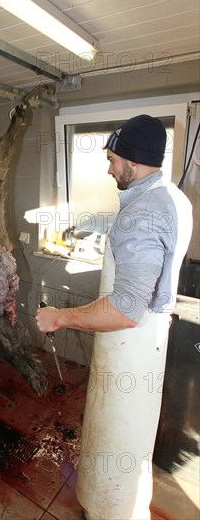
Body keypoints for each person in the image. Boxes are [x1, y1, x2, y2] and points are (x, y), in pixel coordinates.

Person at [35, 114, 193, 520]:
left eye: (112, 159)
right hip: (146, 348)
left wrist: (58, 317)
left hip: (130, 349)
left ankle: (106, 511)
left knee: (115, 446)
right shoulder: (174, 198)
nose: (108, 169)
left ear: (133, 162)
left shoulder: (143, 214)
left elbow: (124, 310)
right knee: (130, 450)